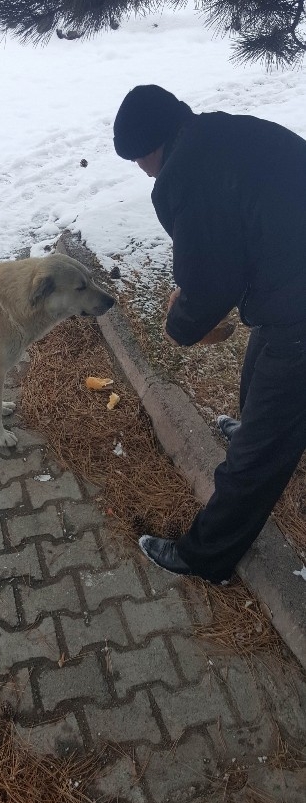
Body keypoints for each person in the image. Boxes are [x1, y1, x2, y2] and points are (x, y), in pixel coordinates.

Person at [112, 84, 306, 584]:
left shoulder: (186, 176)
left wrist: (181, 322)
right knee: (265, 359)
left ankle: (208, 557)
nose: (141, 169)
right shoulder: (215, 133)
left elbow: (210, 279)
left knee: (259, 453)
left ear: (153, 145)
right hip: (290, 284)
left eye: (138, 158)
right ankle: (255, 432)